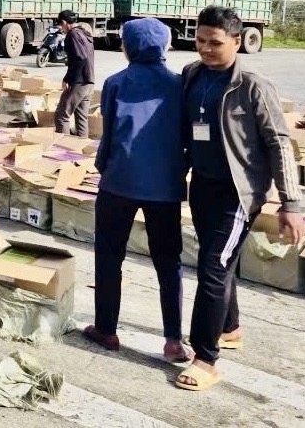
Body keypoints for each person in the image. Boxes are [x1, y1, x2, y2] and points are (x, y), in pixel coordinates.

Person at [176, 6, 305, 391]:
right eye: (200, 41)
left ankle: (205, 358)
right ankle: (229, 328)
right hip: (202, 185)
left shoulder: (252, 85)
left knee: (213, 266)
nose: (206, 49)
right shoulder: (191, 75)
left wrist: (290, 204)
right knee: (220, 261)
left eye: (215, 43)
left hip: (239, 192)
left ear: (237, 41)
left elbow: (279, 143)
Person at [83, 18, 191, 363]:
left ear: (127, 46)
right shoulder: (179, 85)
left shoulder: (116, 83)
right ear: (165, 46)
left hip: (120, 182)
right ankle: (173, 339)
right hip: (166, 186)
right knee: (168, 261)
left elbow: (109, 137)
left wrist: (104, 169)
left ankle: (106, 329)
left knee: (110, 255)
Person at [54, 9, 95, 138]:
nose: (62, 28)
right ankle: (81, 152)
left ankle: (62, 150)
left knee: (62, 116)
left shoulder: (73, 35)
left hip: (79, 82)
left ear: (65, 23)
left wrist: (68, 79)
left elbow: (80, 57)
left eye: (61, 25)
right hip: (89, 82)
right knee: (81, 119)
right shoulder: (84, 33)